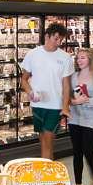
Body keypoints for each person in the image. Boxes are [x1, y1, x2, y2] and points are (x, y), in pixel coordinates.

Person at [20, 23, 72, 160]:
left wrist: (65, 107)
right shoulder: (33, 54)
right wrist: (30, 92)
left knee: (48, 141)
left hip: (55, 106)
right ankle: (46, 172)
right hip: (38, 105)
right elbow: (24, 80)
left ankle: (46, 174)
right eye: (56, 39)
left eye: (61, 40)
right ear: (46, 36)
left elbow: (67, 85)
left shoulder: (65, 58)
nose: (58, 42)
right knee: (43, 139)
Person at [68, 48, 93, 185]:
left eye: (82, 58)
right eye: (78, 58)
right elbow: (68, 96)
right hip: (75, 118)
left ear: (90, 59)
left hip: (92, 119)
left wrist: (84, 101)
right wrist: (74, 101)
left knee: (87, 149)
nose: (79, 60)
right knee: (77, 151)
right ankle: (78, 184)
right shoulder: (73, 77)